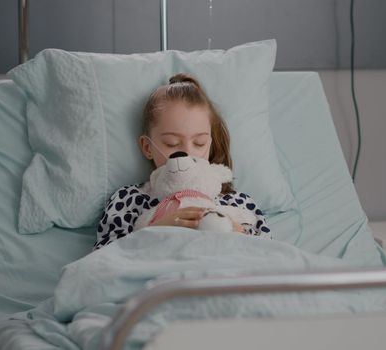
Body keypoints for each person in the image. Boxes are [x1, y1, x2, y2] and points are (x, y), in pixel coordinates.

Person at [94, 73, 270, 249]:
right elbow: (105, 257)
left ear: (210, 143)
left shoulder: (237, 203)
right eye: (172, 143)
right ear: (148, 147)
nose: (187, 153)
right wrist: (154, 230)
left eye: (199, 143)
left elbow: (269, 254)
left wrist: (236, 232)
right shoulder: (128, 200)